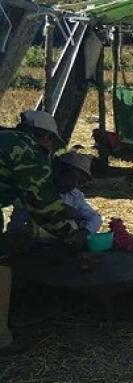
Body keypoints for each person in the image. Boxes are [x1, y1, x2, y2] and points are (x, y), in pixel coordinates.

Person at [0, 111, 87, 353]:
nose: (50, 148)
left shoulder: (6, 138)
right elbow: (42, 206)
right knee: (1, 263)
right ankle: (2, 338)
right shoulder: (28, 149)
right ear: (45, 137)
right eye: (52, 142)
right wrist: (69, 234)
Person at [9, 151, 102, 238]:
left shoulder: (74, 195)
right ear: (59, 172)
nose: (74, 184)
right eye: (72, 177)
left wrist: (84, 233)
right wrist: (59, 209)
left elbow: (94, 217)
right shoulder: (38, 189)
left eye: (79, 181)